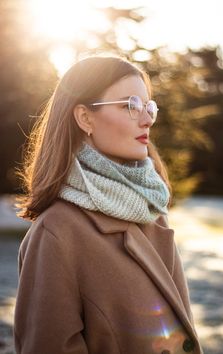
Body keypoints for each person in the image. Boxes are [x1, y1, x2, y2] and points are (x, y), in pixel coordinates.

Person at [14, 53, 203, 354]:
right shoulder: (57, 232)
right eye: (131, 105)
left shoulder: (151, 212)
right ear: (85, 118)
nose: (147, 119)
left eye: (148, 107)